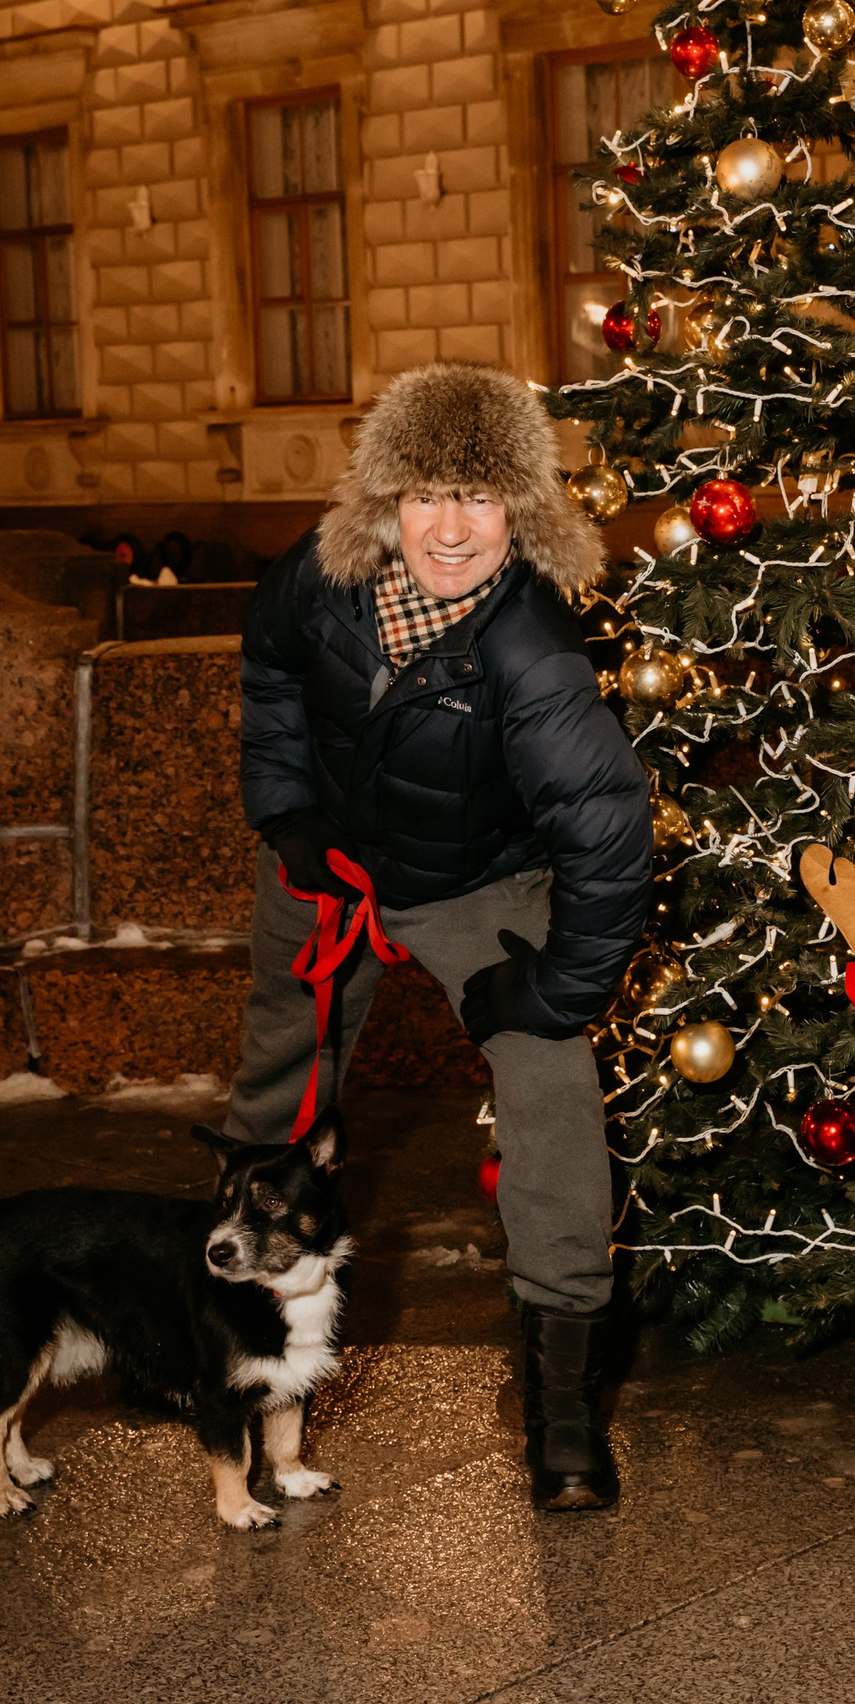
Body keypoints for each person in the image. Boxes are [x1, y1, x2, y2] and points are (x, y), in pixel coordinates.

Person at [228, 363, 651, 1512]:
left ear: (520, 512)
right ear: (385, 504)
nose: (451, 528)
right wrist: (289, 814)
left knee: (551, 1080)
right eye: (426, 494)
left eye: (480, 498)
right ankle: (245, 1341)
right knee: (280, 1084)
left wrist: (554, 993)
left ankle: (562, 1406)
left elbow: (609, 841)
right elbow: (268, 677)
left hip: (478, 878)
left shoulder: (533, 653)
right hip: (329, 865)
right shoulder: (317, 580)